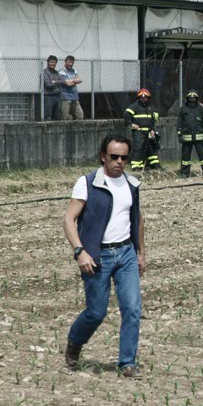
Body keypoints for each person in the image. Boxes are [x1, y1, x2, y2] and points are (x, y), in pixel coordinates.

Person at [63, 135, 145, 379]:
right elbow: (69, 220)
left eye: (124, 157)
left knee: (132, 308)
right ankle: (75, 342)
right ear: (103, 156)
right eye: (114, 156)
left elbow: (138, 220)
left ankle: (127, 363)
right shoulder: (88, 183)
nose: (119, 161)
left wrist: (141, 252)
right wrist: (80, 251)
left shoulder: (132, 184)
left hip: (126, 253)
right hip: (97, 256)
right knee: (96, 312)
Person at [124, 89, 162, 172]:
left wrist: (152, 129)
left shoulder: (150, 107)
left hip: (148, 132)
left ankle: (154, 165)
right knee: (138, 148)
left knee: (151, 148)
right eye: (141, 97)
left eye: (145, 97)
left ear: (148, 98)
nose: (143, 99)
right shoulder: (135, 106)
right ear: (139, 98)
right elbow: (126, 115)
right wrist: (132, 124)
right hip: (138, 132)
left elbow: (153, 119)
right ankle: (136, 167)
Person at [177, 89, 203, 177]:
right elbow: (179, 123)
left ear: (196, 98)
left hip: (199, 138)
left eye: (194, 98)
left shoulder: (200, 108)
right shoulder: (183, 109)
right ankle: (184, 173)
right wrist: (179, 135)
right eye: (190, 98)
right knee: (185, 158)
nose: (192, 99)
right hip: (187, 138)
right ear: (187, 98)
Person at [59, 55, 84, 120]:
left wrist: (71, 81)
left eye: (72, 63)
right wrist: (75, 80)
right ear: (65, 61)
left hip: (75, 97)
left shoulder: (74, 70)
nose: (71, 64)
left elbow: (80, 79)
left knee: (80, 115)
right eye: (69, 62)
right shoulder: (62, 71)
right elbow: (68, 84)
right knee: (66, 117)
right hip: (66, 97)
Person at [42, 55, 64, 121]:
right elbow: (48, 84)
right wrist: (57, 82)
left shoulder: (56, 72)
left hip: (57, 96)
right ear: (48, 62)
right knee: (47, 117)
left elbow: (63, 81)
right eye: (51, 62)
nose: (53, 64)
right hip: (48, 96)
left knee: (57, 117)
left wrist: (54, 82)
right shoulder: (44, 72)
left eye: (54, 62)